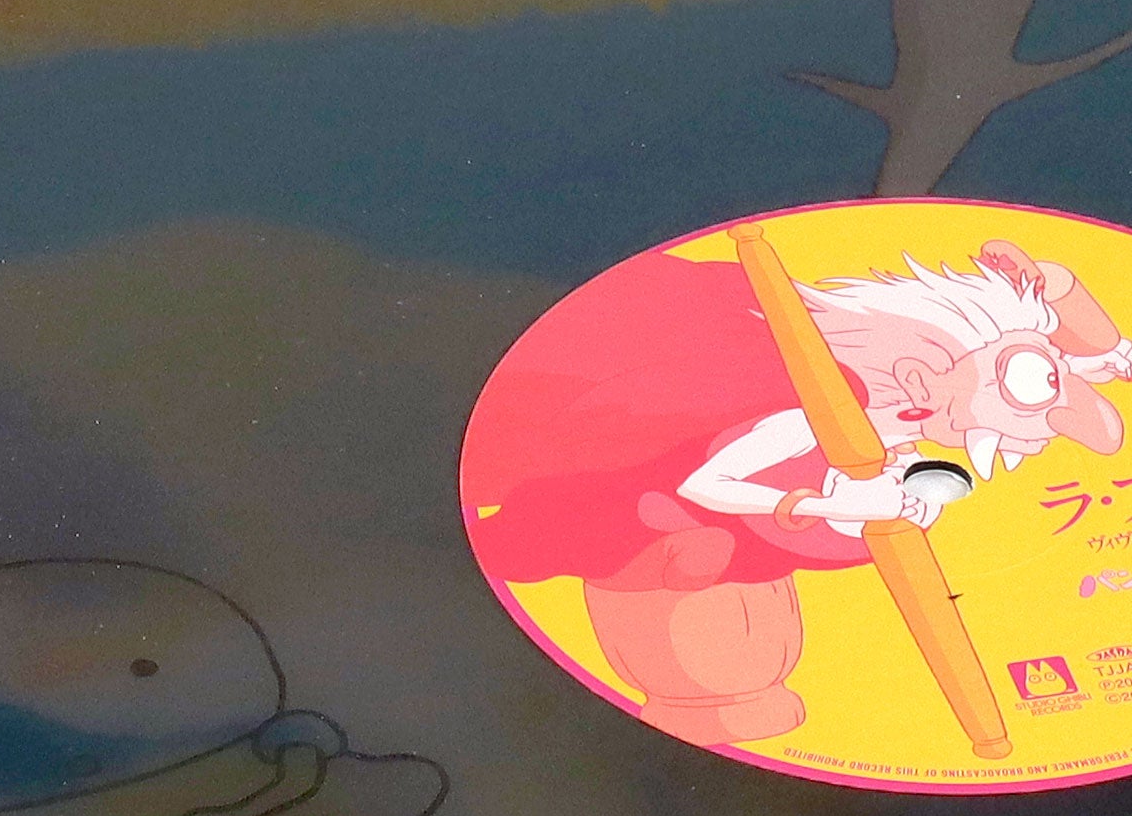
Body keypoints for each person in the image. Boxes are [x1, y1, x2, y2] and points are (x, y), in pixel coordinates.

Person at [465, 237, 1132, 746]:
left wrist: (1065, 299)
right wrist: (827, 506)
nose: (1061, 411)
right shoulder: (808, 412)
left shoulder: (891, 424)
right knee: (710, 609)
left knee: (747, 617)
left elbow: (1093, 362)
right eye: (1030, 382)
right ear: (919, 377)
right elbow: (708, 481)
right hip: (692, 519)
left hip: (762, 542)